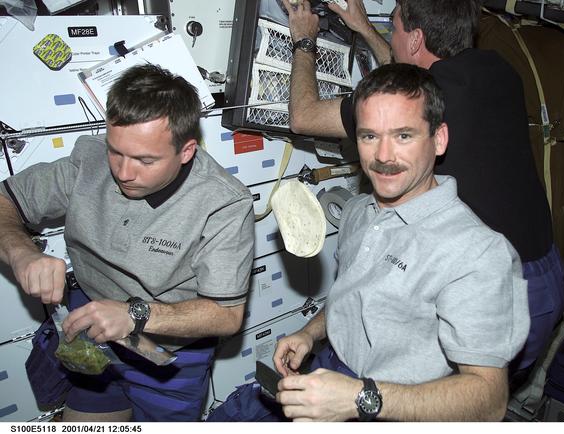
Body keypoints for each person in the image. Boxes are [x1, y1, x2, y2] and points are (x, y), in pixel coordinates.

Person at [208, 63, 529, 422]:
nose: (383, 156)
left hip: (396, 407)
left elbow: (489, 400)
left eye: (404, 136)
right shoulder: (360, 210)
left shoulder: (477, 253)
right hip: (334, 375)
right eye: (369, 136)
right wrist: (309, 334)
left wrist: (360, 399)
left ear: (439, 139)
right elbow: (354, 296)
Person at [283, 0, 564, 378]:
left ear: (415, 39)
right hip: (546, 277)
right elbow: (416, 79)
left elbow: (303, 116)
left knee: (447, 397)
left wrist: (304, 39)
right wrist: (365, 28)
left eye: (394, 28)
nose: (391, 36)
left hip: (486, 287)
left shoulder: (439, 95)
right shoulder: (498, 69)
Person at [0, 64, 255, 422]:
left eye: (144, 160)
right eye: (115, 151)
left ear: (186, 151)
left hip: (169, 358)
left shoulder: (224, 203)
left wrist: (135, 315)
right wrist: (21, 253)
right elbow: (4, 201)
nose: (122, 172)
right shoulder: (88, 160)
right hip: (89, 329)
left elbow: (227, 315)